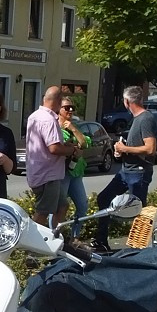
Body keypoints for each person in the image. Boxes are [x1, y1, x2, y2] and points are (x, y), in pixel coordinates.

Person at [92, 85, 157, 252]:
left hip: (139, 172)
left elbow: (150, 148)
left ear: (127, 101)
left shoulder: (145, 118)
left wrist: (125, 149)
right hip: (126, 171)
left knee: (138, 211)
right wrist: (121, 149)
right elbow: (137, 146)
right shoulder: (135, 119)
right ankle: (101, 241)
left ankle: (139, 249)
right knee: (104, 199)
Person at [25, 85, 77, 225]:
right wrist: (71, 150)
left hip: (42, 173)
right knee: (43, 212)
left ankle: (53, 238)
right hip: (47, 176)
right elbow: (53, 148)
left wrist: (64, 146)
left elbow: (44, 144)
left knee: (62, 206)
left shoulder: (34, 116)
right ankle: (31, 243)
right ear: (59, 101)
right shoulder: (48, 120)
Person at [59, 98, 92, 243]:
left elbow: (84, 144)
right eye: (67, 108)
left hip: (76, 173)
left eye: (72, 108)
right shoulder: (55, 127)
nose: (70, 110)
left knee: (82, 206)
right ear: (59, 109)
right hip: (62, 173)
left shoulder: (75, 126)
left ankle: (74, 237)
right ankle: (53, 238)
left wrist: (73, 128)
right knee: (59, 207)